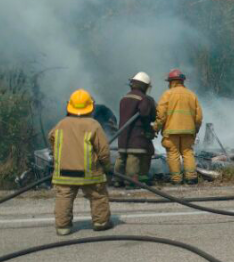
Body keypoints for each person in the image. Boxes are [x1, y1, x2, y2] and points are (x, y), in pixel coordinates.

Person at [49, 89, 113, 236]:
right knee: (98, 194)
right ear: (90, 107)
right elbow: (103, 150)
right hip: (89, 171)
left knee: (64, 196)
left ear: (69, 106)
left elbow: (51, 138)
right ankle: (101, 222)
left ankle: (63, 227)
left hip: (64, 171)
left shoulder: (61, 124)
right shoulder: (93, 125)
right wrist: (107, 166)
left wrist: (59, 155)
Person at [156, 68, 203, 185]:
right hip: (188, 131)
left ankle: (177, 180)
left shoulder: (167, 94)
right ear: (182, 81)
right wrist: (196, 128)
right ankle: (191, 178)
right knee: (188, 153)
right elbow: (198, 116)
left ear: (172, 81)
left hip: (171, 131)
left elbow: (161, 115)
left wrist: (156, 128)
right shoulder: (192, 95)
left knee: (173, 154)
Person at [116, 72, 157, 187]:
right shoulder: (144, 99)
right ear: (145, 86)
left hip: (123, 134)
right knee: (134, 156)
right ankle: (131, 180)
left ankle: (118, 179)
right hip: (137, 135)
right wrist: (149, 130)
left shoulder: (124, 98)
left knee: (122, 156)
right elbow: (145, 114)